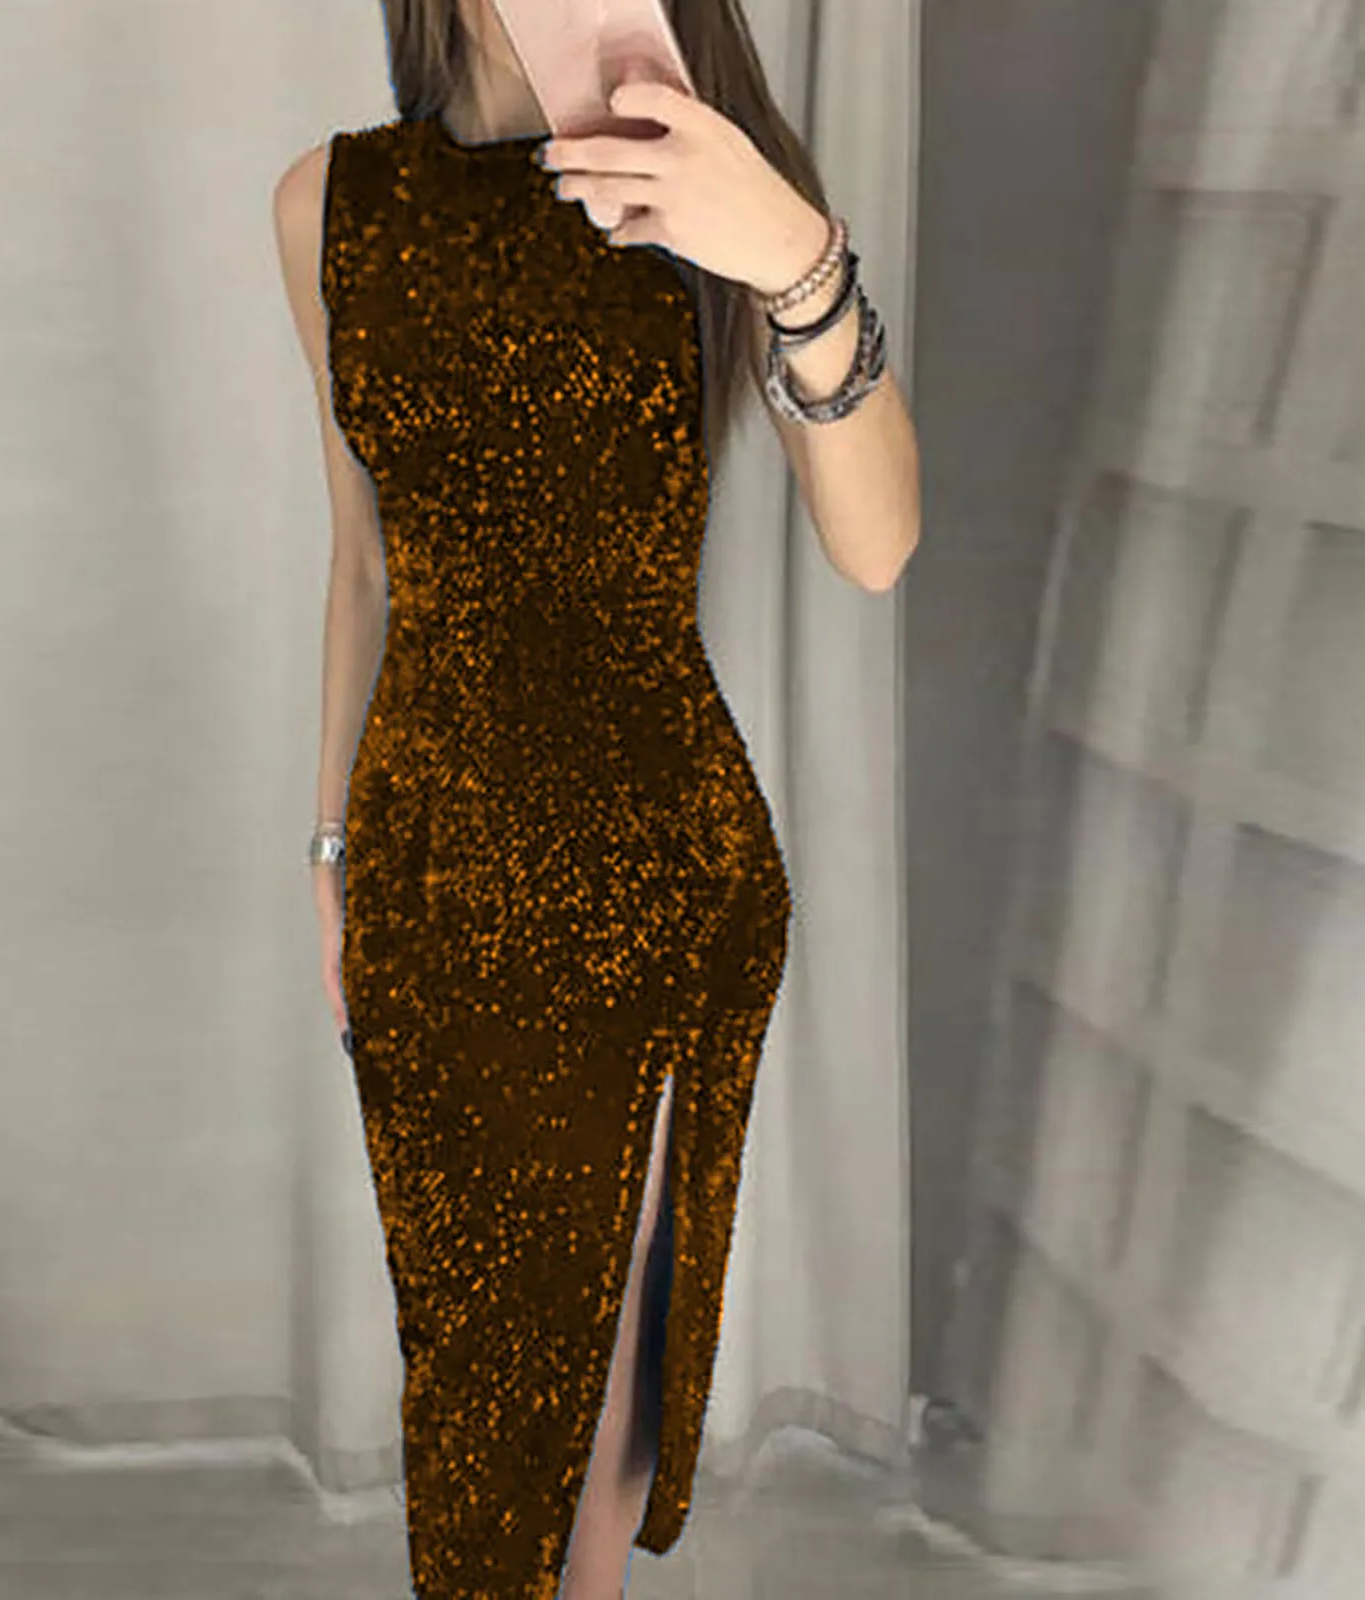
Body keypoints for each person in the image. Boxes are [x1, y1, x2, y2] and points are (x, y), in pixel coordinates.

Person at [272, 3, 920, 1595]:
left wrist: (797, 261)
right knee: (478, 1385)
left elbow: (878, 542)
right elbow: (364, 561)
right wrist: (333, 847)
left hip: (650, 855)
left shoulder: (698, 172)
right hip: (430, 858)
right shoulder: (329, 202)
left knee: (598, 1383)